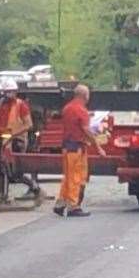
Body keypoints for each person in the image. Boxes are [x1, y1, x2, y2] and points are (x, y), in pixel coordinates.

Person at [53, 83, 106, 218]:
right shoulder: (81, 110)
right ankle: (73, 206)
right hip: (76, 148)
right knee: (76, 177)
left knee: (68, 177)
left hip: (66, 147)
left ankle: (60, 204)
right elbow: (86, 130)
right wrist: (98, 147)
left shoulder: (67, 108)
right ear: (85, 96)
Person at [0, 79, 39, 204]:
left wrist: (12, 135)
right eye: (6, 92)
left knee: (10, 170)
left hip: (17, 140)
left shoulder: (21, 105)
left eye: (11, 92)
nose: (8, 95)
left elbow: (28, 124)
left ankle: (7, 196)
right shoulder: (0, 104)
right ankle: (1, 195)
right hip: (5, 139)